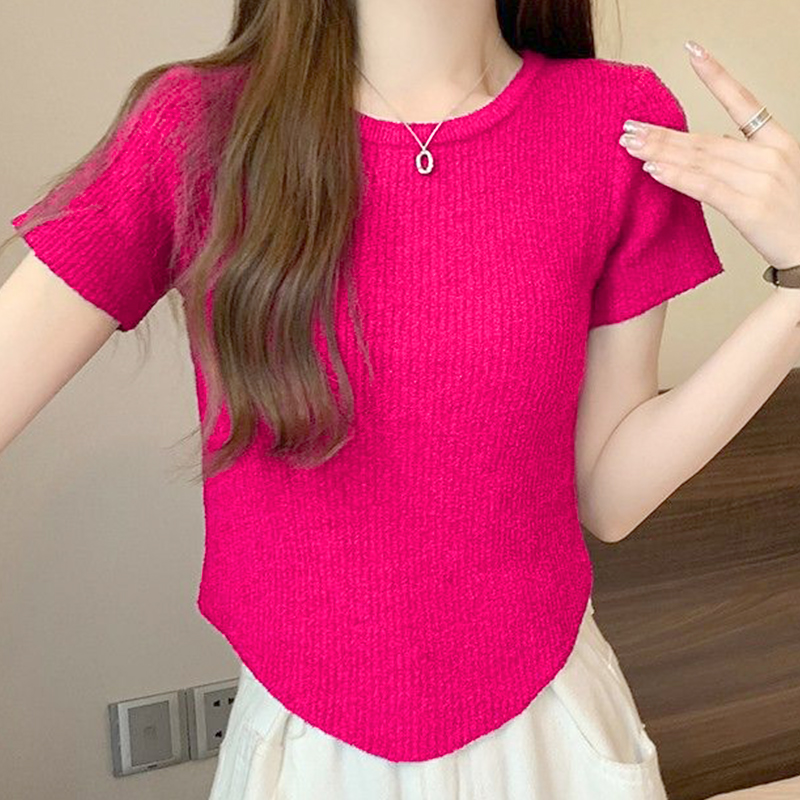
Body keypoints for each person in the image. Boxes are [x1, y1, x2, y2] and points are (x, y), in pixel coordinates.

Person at [3, 1, 800, 798]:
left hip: (553, 728)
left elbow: (610, 496)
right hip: (307, 748)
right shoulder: (197, 126)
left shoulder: (613, 118)